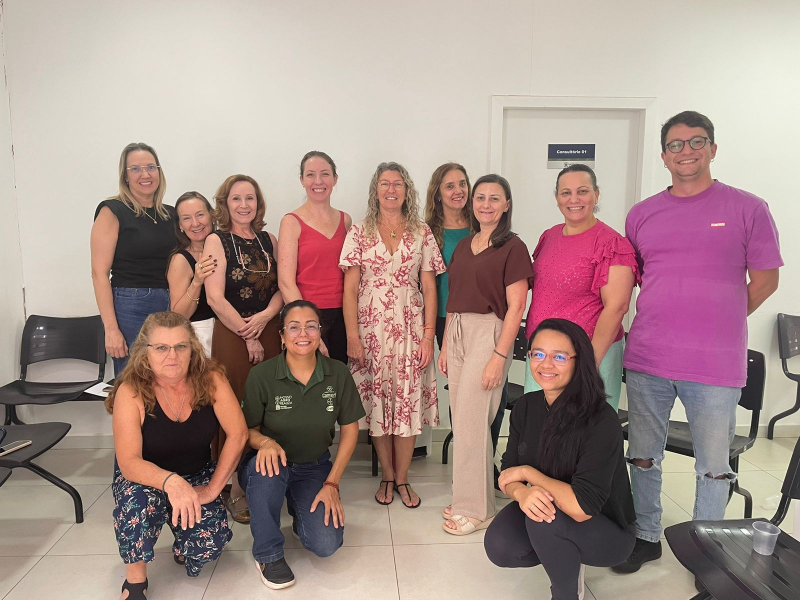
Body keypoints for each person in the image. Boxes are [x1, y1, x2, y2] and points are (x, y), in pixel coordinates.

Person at [614, 111, 783, 574]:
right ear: (663, 155)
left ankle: (708, 550)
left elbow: (766, 281)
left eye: (696, 141)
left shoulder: (748, 208)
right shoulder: (642, 214)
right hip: (648, 357)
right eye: (675, 144)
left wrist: (719, 319)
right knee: (642, 456)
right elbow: (639, 278)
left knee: (713, 466)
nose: (685, 151)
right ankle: (646, 536)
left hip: (714, 365)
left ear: (713, 148)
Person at [485, 318, 636, 600]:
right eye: (538, 354)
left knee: (545, 519)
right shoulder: (526, 406)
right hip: (554, 512)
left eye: (559, 357)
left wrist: (528, 475)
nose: (546, 364)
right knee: (500, 545)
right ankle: (563, 552)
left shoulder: (601, 419)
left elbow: (581, 508)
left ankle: (566, 594)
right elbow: (507, 473)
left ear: (579, 361)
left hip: (606, 528)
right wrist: (521, 493)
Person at [106, 311, 247, 600]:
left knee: (209, 546)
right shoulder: (131, 391)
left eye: (180, 346)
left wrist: (213, 489)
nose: (172, 356)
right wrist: (172, 483)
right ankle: (135, 581)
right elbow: (129, 462)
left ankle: (182, 540)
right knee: (137, 505)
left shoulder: (211, 379)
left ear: (192, 348)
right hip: (145, 478)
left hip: (196, 472)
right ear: (145, 352)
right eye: (161, 347)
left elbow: (239, 434)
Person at [238, 300, 365, 589]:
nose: (303, 334)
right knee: (266, 471)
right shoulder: (262, 375)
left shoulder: (338, 373)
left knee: (326, 544)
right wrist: (266, 442)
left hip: (313, 466)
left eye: (311, 326)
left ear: (320, 332)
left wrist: (332, 483)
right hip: (270, 464)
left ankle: (300, 513)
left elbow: (350, 430)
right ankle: (268, 555)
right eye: (293, 327)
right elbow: (246, 431)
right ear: (282, 336)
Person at [340, 162, 444, 508]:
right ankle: (387, 474)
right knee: (378, 403)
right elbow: (349, 289)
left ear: (406, 190)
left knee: (407, 401)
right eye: (384, 184)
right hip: (369, 329)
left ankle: (403, 478)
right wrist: (352, 336)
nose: (391, 190)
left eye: (397, 184)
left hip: (410, 328)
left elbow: (429, 288)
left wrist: (428, 336)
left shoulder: (421, 231)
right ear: (376, 190)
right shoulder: (359, 231)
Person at [438, 174, 532, 534]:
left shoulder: (513, 247)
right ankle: (470, 496)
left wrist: (498, 356)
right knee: (462, 420)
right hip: (458, 329)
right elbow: (454, 297)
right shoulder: (465, 245)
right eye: (480, 197)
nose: (486, 204)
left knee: (474, 421)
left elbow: (516, 306)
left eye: (495, 198)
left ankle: (475, 509)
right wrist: (446, 345)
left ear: (506, 205)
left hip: (489, 332)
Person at [523, 164, 639, 411]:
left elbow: (617, 307)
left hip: (588, 355)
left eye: (582, 191)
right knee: (539, 425)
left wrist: (588, 364)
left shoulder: (611, 243)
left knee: (585, 428)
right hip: (542, 355)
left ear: (596, 194)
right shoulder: (549, 236)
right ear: (557, 198)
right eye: (566, 193)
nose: (574, 199)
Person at [204, 174, 284, 524]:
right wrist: (248, 334)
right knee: (235, 409)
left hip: (270, 331)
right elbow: (214, 297)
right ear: (225, 203)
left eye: (250, 198)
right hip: (233, 335)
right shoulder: (216, 240)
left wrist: (265, 317)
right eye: (236, 198)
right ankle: (236, 488)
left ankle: (269, 480)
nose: (243, 205)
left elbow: (282, 287)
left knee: (270, 407)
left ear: (258, 203)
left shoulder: (269, 240)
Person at [424, 163, 508, 493]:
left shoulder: (484, 224)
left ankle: (486, 461)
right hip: (446, 319)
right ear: (438, 193)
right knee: (461, 391)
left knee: (491, 391)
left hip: (486, 320)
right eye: (449, 186)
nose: (458, 191)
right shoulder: (428, 232)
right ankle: (468, 467)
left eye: (462, 184)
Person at [91, 142, 176, 375]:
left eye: (151, 167)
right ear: (125, 176)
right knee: (135, 379)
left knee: (168, 377)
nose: (145, 174)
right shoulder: (112, 210)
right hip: (132, 304)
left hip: (172, 303)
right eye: (136, 169)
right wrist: (111, 329)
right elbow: (99, 273)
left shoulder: (171, 214)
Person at [278, 151, 352, 363]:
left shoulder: (346, 221)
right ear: (302, 180)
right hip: (306, 315)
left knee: (337, 377)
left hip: (343, 316)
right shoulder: (291, 222)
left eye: (325, 174)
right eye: (310, 174)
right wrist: (308, 326)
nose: (318, 181)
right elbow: (285, 282)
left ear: (335, 179)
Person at [167, 192, 217, 356]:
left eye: (200, 215)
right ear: (180, 225)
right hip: (203, 340)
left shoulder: (228, 247)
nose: (195, 223)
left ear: (212, 216)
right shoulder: (180, 260)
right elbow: (178, 316)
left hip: (232, 334)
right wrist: (197, 281)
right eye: (187, 218)